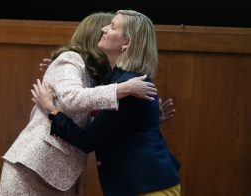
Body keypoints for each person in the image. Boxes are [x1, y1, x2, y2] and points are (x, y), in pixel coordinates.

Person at [0, 12, 158, 196]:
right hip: (33, 167)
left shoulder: (96, 75)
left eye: (112, 28)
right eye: (106, 27)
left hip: (59, 174)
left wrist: (147, 116)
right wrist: (123, 89)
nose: (105, 31)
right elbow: (72, 98)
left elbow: (105, 122)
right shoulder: (71, 59)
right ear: (93, 35)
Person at [32, 10, 180, 196]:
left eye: (112, 27)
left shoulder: (129, 86)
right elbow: (99, 89)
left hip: (147, 186)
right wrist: (61, 71)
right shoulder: (120, 79)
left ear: (126, 43)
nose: (104, 28)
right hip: (144, 183)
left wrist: (51, 111)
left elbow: (88, 140)